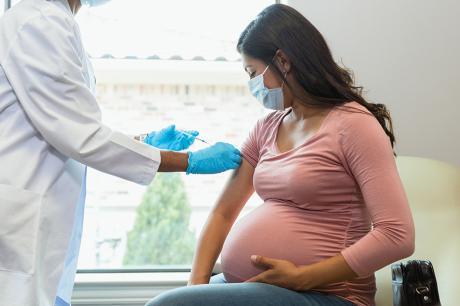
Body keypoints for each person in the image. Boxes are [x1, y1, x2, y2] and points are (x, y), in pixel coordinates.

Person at [145, 4, 415, 306]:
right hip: (264, 288)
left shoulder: (354, 125)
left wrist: (303, 276)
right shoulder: (267, 127)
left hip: (329, 294)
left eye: (253, 73)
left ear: (283, 61)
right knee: (177, 301)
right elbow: (223, 213)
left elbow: (397, 235)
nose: (252, 86)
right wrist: (195, 286)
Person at [0, 0, 241, 305]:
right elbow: (81, 136)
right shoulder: (38, 22)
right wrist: (188, 162)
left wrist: (146, 143)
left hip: (40, 217)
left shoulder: (57, 23)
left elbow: (73, 126)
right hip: (22, 217)